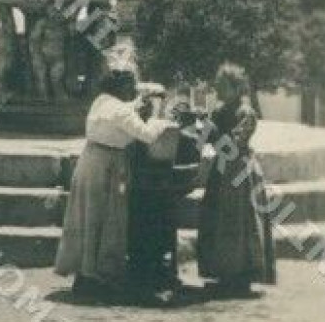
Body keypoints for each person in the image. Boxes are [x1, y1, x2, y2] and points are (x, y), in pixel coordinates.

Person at [54, 63, 176, 300]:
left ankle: (85, 272)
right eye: (130, 84)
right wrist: (158, 115)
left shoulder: (102, 101)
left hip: (89, 160)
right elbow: (147, 135)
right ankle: (100, 276)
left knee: (87, 218)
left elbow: (122, 112)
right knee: (107, 218)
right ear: (121, 86)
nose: (133, 89)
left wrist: (138, 103)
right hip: (107, 166)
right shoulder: (122, 111)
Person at [196, 63, 277, 298]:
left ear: (236, 87)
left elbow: (234, 143)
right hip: (221, 170)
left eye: (223, 86)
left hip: (240, 171)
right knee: (218, 219)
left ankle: (241, 276)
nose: (218, 91)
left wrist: (212, 134)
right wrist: (201, 128)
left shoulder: (246, 113)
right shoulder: (218, 111)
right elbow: (202, 142)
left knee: (240, 222)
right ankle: (223, 273)